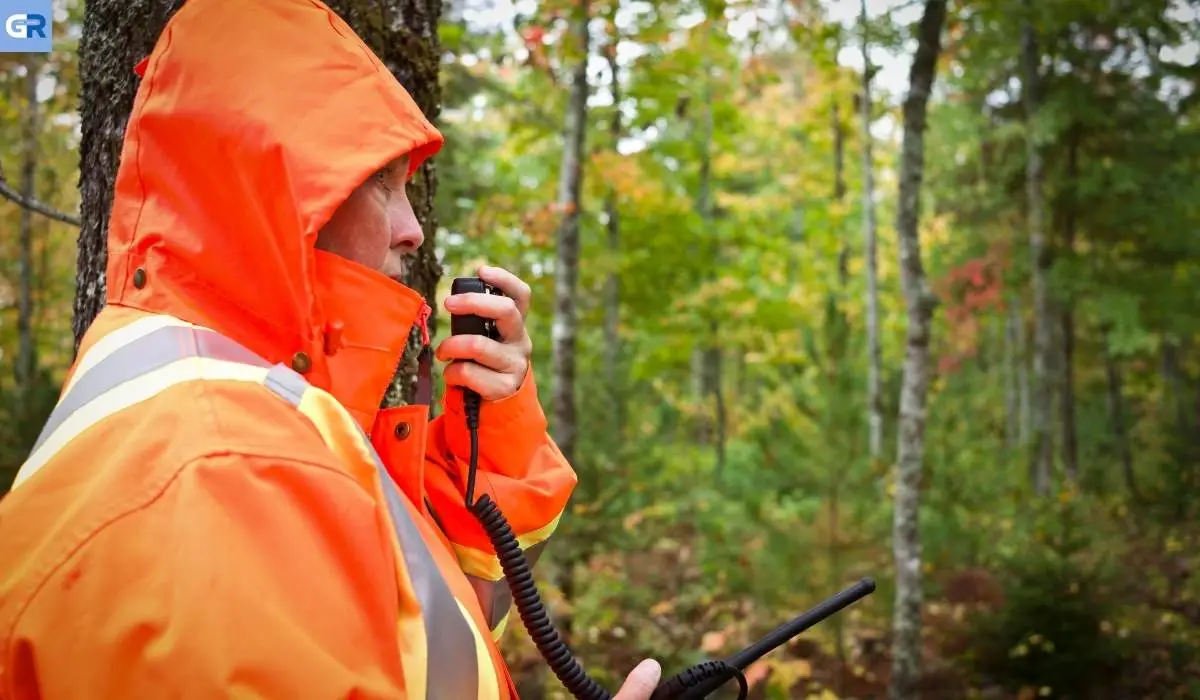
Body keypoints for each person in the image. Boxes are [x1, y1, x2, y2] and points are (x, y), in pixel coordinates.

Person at [0, 0, 659, 698]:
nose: (413, 230)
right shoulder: (227, 472)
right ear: (269, 194)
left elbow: (408, 645)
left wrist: (485, 442)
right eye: (378, 183)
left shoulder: (247, 415)